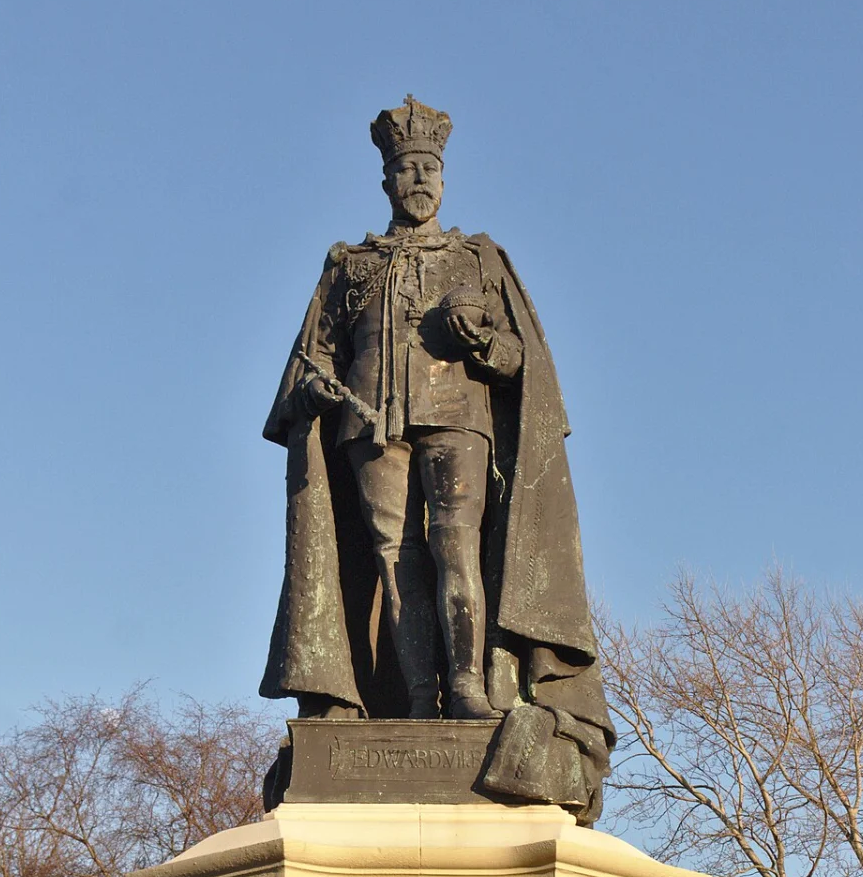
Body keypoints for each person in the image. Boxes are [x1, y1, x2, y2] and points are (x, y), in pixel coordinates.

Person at [262, 97, 614, 819]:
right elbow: (306, 365)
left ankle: (468, 689)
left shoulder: (476, 259)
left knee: (457, 548)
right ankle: (420, 699)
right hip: (370, 425)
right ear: (387, 181)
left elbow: (523, 366)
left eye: (429, 168)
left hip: (459, 420)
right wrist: (314, 388)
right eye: (405, 169)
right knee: (395, 558)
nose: (418, 179)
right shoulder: (348, 265)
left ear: (443, 180)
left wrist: (481, 338)